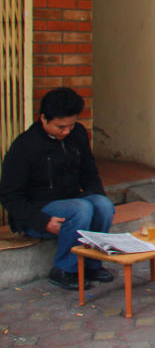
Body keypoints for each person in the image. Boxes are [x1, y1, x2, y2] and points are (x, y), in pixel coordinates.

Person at [0, 87, 115, 291]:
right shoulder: (25, 146)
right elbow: (9, 196)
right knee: (81, 208)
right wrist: (41, 221)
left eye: (70, 126)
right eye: (60, 127)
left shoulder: (77, 134)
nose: (66, 132)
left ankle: (92, 263)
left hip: (71, 206)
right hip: (37, 214)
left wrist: (96, 197)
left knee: (103, 204)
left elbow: (89, 174)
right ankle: (64, 269)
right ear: (43, 119)